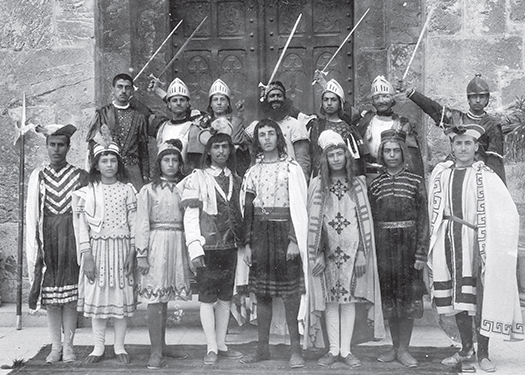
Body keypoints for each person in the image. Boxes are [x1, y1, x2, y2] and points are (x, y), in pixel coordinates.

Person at [427, 124, 523, 372]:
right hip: (448, 240)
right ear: (452, 147)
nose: (462, 148)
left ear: (476, 147)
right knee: (459, 299)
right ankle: (465, 348)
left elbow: (506, 213)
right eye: (458, 143)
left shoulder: (486, 176)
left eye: (467, 143)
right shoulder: (442, 175)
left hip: (474, 242)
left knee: (479, 297)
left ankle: (484, 353)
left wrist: (491, 242)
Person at [307, 130, 384, 368]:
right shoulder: (318, 185)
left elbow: (364, 221)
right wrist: (317, 252)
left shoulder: (358, 184)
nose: (337, 159)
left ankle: (346, 350)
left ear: (347, 157)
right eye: (332, 155)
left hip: (353, 253)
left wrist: (362, 252)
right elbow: (314, 222)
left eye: (340, 154)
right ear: (325, 159)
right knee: (330, 301)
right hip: (327, 252)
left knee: (348, 300)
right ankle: (332, 350)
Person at [240, 118, 308, 369]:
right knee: (263, 293)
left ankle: (295, 350)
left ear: (279, 138)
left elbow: (298, 206)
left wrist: (293, 240)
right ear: (257, 140)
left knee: (290, 294)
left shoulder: (291, 168)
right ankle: (262, 349)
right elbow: (248, 209)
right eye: (262, 134)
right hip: (261, 233)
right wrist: (247, 243)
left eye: (271, 133)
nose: (266, 138)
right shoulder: (253, 172)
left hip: (284, 233)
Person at [25, 124, 88, 364]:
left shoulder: (79, 175)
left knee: (70, 295)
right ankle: (55, 346)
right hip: (48, 238)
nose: (56, 149)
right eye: (52, 144)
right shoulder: (38, 176)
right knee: (52, 297)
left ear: (69, 147)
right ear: (46, 146)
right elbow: (33, 213)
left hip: (70, 237)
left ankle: (70, 346)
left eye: (61, 145)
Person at [181, 130, 244, 365]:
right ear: (209, 151)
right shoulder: (198, 177)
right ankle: (210, 347)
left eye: (225, 147)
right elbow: (190, 216)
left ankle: (222, 344)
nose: (221, 151)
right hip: (208, 246)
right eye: (216, 147)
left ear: (230, 150)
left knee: (226, 297)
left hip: (230, 245)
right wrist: (194, 247)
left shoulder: (237, 179)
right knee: (207, 298)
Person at [73, 132, 137, 364]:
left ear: (118, 164)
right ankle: (98, 347)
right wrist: (87, 255)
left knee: (120, 298)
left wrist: (132, 252)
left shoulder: (127, 190)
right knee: (98, 299)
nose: (109, 165)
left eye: (113, 160)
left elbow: (133, 224)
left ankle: (119, 346)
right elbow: (82, 227)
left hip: (121, 251)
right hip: (97, 251)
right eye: (104, 160)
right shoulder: (88, 192)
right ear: (96, 165)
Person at [369, 129, 429, 368]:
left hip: (409, 245)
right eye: (387, 151)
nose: (391, 155)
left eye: (396, 150)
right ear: (381, 154)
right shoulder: (376, 184)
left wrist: (421, 252)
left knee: (407, 299)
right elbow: (371, 220)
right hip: (384, 247)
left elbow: (424, 218)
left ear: (403, 153)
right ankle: (394, 348)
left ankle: (404, 349)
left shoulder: (415, 182)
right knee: (391, 299)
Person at [135, 139, 191, 369]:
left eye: (174, 160)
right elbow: (141, 223)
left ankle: (163, 345)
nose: (170, 164)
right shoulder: (148, 190)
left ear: (180, 164)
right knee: (155, 297)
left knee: (165, 296)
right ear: (159, 163)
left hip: (177, 242)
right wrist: (141, 253)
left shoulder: (185, 187)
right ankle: (155, 351)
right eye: (166, 160)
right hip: (157, 243)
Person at [398, 73, 506, 183]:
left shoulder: (492, 125)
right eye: (474, 96)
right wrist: (411, 92)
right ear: (468, 99)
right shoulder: (456, 118)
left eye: (481, 97)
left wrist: (494, 187)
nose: (478, 100)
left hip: (478, 176)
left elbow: (495, 162)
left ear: (487, 99)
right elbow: (433, 108)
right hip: (455, 172)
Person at [86, 73, 150, 191]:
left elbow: (143, 150)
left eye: (127, 87)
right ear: (113, 89)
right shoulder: (102, 113)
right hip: (108, 168)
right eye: (120, 87)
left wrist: (145, 175)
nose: (123, 91)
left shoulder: (139, 117)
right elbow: (92, 145)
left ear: (132, 91)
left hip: (132, 169)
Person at [356, 75, 424, 183]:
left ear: (392, 99)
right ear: (372, 101)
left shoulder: (402, 124)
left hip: (392, 179)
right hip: (366, 178)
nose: (381, 101)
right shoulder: (366, 120)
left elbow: (412, 160)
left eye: (385, 96)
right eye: (377, 97)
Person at [244, 81, 311, 179]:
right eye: (272, 96)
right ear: (266, 100)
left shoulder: (295, 125)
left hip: (290, 178)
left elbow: (303, 161)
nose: (276, 99)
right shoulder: (260, 127)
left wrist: (302, 183)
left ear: (285, 99)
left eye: (279, 96)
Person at [308, 77, 366, 177]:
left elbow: (353, 161)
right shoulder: (315, 125)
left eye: (333, 100)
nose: (329, 103)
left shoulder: (346, 128)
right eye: (326, 100)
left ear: (340, 104)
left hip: (339, 178)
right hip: (317, 177)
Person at [148, 77, 204, 172]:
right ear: (168, 104)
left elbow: (195, 164)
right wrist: (157, 90)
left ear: (187, 103)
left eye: (182, 100)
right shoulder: (162, 127)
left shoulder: (193, 129)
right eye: (174, 101)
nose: (178, 103)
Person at [203, 79, 251, 176]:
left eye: (223, 99)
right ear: (211, 104)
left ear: (228, 103)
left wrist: (239, 116)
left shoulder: (234, 121)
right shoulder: (205, 122)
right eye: (215, 100)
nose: (219, 103)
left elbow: (236, 140)